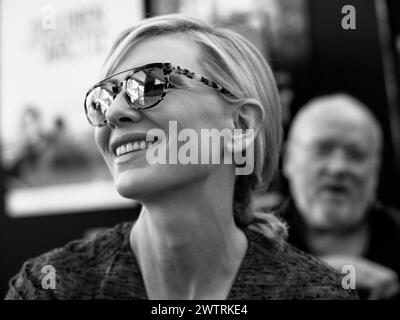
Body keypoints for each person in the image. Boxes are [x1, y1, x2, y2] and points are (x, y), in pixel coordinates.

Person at [5, 15, 355, 300]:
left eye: (151, 83)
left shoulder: (316, 293)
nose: (113, 112)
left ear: (240, 125)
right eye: (103, 98)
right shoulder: (50, 288)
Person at [281, 93, 400, 299]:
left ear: (376, 169)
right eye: (322, 150)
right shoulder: (249, 242)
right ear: (288, 160)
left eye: (356, 155)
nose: (338, 168)